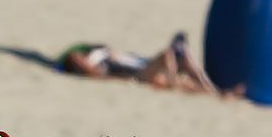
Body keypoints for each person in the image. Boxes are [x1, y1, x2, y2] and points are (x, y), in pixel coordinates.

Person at [56, 32, 223, 95]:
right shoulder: (100, 68)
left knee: (181, 67)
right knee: (171, 55)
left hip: (143, 66)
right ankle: (213, 90)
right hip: (139, 72)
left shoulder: (99, 58)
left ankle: (214, 91)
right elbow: (75, 58)